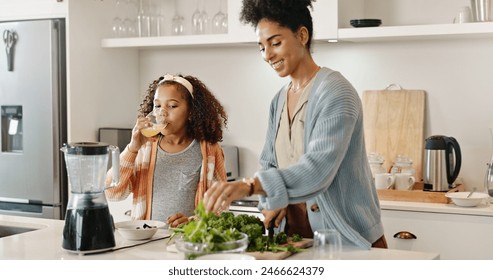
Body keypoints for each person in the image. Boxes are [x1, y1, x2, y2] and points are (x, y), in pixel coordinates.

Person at [203, 0, 387, 249]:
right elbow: (269, 163)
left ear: (302, 35)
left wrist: (250, 186)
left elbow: (317, 171)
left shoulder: (336, 92)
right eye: (262, 47)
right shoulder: (278, 100)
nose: (267, 55)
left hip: (348, 240)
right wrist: (273, 201)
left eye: (275, 43)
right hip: (298, 241)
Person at [105, 74, 228, 228]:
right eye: (157, 106)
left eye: (172, 106)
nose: (162, 113)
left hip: (186, 242)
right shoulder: (144, 148)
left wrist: (193, 221)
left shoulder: (209, 150)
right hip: (146, 241)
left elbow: (221, 206)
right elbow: (112, 192)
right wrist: (132, 148)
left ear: (191, 111)